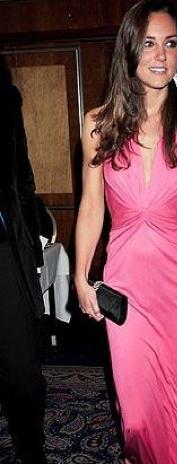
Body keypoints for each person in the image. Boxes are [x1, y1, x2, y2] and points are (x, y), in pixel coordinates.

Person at [73, 1, 177, 462]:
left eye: (170, 44)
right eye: (148, 43)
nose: (160, 55)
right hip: (126, 285)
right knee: (138, 417)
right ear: (129, 51)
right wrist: (81, 275)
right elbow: (92, 207)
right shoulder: (97, 125)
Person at [0, 78, 47, 462]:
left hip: (5, 251)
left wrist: (32, 250)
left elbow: (22, 179)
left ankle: (31, 449)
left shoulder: (4, 97)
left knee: (22, 371)